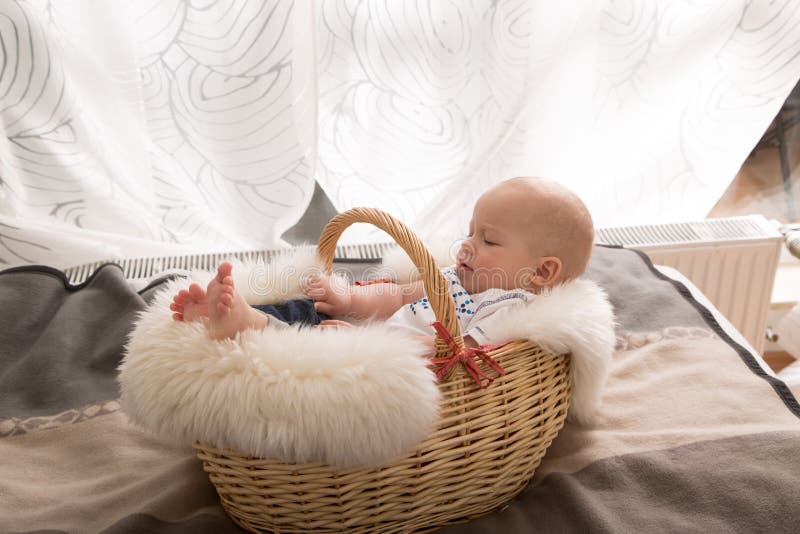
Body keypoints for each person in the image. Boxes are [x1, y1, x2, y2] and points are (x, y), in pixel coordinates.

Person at [169, 177, 594, 349]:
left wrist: (364, 343)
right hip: (368, 332)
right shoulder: (455, 278)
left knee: (311, 348)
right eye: (470, 231)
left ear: (541, 272)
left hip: (385, 359)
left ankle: (246, 324)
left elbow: (455, 354)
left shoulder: (511, 311)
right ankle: (230, 317)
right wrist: (349, 299)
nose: (466, 246)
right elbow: (397, 296)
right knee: (305, 310)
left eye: (488, 239)